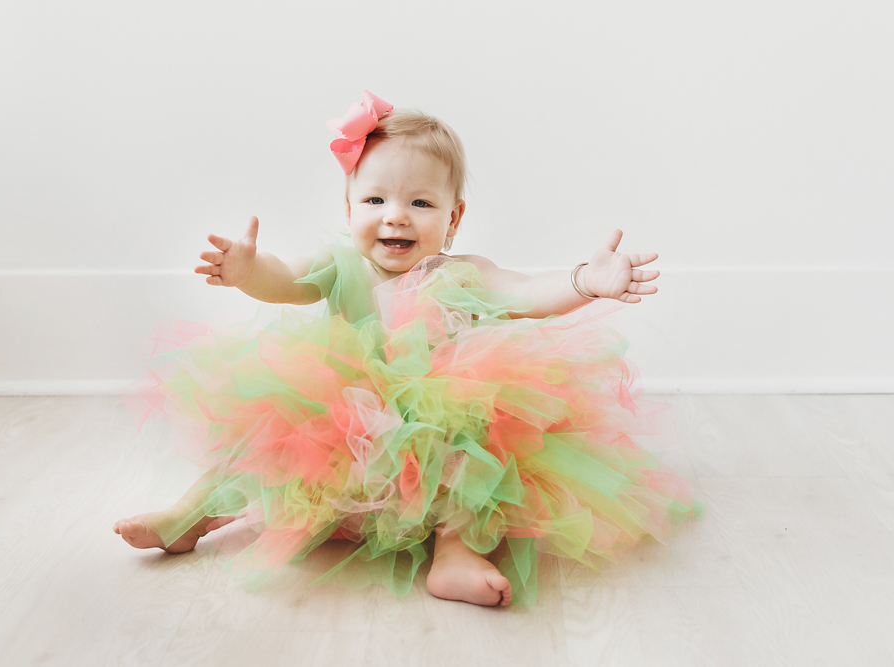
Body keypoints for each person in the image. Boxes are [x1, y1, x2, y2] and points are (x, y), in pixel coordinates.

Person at [114, 91, 700, 608]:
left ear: (454, 218)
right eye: (375, 202)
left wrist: (582, 281)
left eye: (421, 203)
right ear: (349, 210)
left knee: (480, 451)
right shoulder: (337, 264)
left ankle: (455, 553)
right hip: (342, 428)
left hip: (437, 433)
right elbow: (284, 282)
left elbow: (524, 293)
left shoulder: (462, 272)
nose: (396, 216)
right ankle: (191, 517)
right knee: (264, 435)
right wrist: (247, 271)